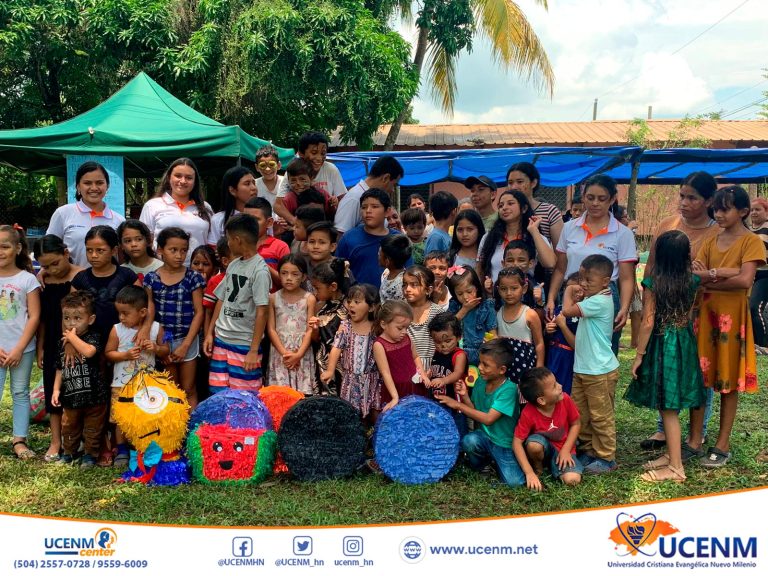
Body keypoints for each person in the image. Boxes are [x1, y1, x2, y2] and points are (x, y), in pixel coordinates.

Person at [640, 171, 719, 451]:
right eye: (682, 196)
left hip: (704, 315)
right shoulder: (667, 224)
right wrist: (648, 298)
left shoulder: (716, 232)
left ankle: (697, 434)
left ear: (709, 200)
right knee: (665, 368)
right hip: (666, 317)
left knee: (699, 375)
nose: (684, 203)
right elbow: (650, 268)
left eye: (692, 198)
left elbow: (713, 277)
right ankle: (664, 430)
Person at [693, 186, 764, 468]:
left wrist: (711, 274)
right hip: (706, 313)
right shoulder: (711, 239)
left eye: (726, 209)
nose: (719, 214)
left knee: (727, 384)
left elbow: (746, 281)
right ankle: (694, 440)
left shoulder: (752, 241)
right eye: (717, 209)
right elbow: (695, 275)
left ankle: (722, 444)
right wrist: (723, 273)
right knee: (700, 379)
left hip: (732, 319)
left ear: (743, 212)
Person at [625, 231, 705, 483]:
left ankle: (676, 468)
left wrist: (639, 355)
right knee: (672, 402)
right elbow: (693, 308)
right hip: (684, 341)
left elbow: (648, 322)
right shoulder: (692, 280)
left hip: (663, 343)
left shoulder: (653, 283)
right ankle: (672, 456)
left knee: (668, 407)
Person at [546, 174, 637, 355]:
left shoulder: (623, 233)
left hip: (604, 297)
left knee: (601, 352)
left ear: (612, 199)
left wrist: (625, 308)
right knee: (566, 349)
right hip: (570, 295)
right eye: (590, 198)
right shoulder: (569, 227)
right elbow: (560, 268)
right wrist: (551, 298)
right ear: (583, 196)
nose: (595, 203)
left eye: (602, 199)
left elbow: (627, 278)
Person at [436, 338, 525, 487]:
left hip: (504, 444)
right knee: (469, 441)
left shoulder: (509, 389)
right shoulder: (480, 382)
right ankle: (484, 465)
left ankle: (498, 462)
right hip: (484, 438)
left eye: (486, 365)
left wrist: (457, 404)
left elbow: (489, 419)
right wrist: (464, 396)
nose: (480, 367)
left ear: (502, 370)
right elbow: (475, 411)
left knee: (515, 483)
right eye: (480, 362)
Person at [559, 254, 619, 474]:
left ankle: (606, 457)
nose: (583, 284)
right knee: (581, 412)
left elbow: (566, 311)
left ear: (605, 281)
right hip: (584, 368)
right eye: (581, 279)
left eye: (588, 280)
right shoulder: (594, 298)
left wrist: (568, 291)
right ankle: (588, 450)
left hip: (599, 371)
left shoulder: (600, 301)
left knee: (601, 415)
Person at [204, 214, 271, 394]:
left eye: (227, 239)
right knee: (218, 393)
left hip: (244, 344)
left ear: (237, 240)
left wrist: (253, 350)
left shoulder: (260, 271)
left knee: (244, 397)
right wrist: (210, 333)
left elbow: (262, 312)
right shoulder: (233, 265)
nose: (227, 243)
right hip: (221, 339)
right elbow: (221, 299)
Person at [104, 286, 169, 468]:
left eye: (125, 313)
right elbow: (108, 352)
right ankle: (122, 449)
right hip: (121, 384)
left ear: (142, 312)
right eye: (119, 313)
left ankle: (141, 446)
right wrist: (124, 355)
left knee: (144, 416)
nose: (121, 318)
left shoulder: (155, 329)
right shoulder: (117, 330)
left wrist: (155, 348)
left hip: (147, 386)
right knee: (120, 419)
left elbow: (166, 350)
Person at [143, 227, 205, 408]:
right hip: (163, 340)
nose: (179, 255)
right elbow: (150, 308)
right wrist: (152, 336)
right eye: (173, 250)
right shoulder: (152, 279)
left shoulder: (192, 277)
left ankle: (191, 432)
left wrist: (186, 345)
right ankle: (174, 432)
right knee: (171, 388)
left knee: (189, 388)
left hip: (188, 339)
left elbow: (199, 312)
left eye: (184, 250)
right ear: (160, 250)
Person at [34, 234, 82, 462]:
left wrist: (72, 342)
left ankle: (78, 438)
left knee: (76, 389)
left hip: (77, 341)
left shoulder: (81, 276)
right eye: (45, 266)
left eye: (55, 263)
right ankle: (55, 441)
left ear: (66, 253)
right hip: (53, 339)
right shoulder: (42, 281)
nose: (52, 269)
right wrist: (40, 347)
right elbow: (42, 319)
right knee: (52, 391)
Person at [0, 225, 41, 460]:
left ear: (17, 248)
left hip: (22, 349)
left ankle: (19, 440)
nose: (0, 251)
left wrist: (18, 349)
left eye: (5, 246)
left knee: (20, 392)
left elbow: (34, 317)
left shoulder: (27, 280)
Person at [51, 292, 105, 467]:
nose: (71, 323)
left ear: (90, 319)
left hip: (94, 396)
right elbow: (60, 368)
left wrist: (72, 339)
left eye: (77, 318)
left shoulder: (93, 336)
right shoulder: (62, 343)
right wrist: (56, 390)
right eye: (66, 318)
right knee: (69, 426)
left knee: (93, 428)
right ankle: (69, 453)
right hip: (71, 396)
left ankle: (90, 454)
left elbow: (89, 352)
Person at [513, 367, 582, 490]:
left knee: (572, 480)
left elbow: (576, 424)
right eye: (555, 386)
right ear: (541, 400)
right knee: (534, 444)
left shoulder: (565, 399)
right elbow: (517, 442)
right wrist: (529, 473)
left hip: (564, 448)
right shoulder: (528, 412)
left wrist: (566, 450)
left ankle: (555, 465)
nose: (560, 386)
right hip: (543, 448)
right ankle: (538, 467)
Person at [47, 161, 125, 267]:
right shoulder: (63, 213)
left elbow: (122, 258)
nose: (94, 188)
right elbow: (49, 249)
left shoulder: (119, 220)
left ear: (107, 186)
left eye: (99, 183)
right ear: (78, 186)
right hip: (71, 281)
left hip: (110, 282)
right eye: (87, 183)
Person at [322, 284, 381, 421]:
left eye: (357, 302)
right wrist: (330, 370)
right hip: (350, 380)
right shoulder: (346, 327)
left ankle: (373, 438)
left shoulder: (376, 328)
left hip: (372, 379)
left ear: (371, 307)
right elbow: (336, 348)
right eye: (349, 301)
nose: (351, 306)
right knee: (350, 414)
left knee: (375, 413)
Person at [140, 158, 212, 266]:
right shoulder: (152, 205)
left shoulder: (205, 207)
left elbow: (211, 242)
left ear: (195, 181)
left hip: (197, 271)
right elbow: (145, 242)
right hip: (162, 271)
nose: (183, 181)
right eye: (178, 176)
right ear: (169, 177)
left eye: (189, 178)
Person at [72, 226, 139, 342]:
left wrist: (143, 331)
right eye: (89, 250)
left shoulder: (127, 276)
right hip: (88, 343)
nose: (93, 255)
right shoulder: (80, 279)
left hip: (123, 340)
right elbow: (71, 312)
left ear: (114, 250)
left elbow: (141, 307)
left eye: (100, 250)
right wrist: (71, 340)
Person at [477, 189, 555, 284]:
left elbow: (550, 263)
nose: (504, 208)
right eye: (501, 206)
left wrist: (534, 231)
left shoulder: (535, 236)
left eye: (510, 203)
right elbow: (479, 270)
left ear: (524, 208)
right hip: (494, 296)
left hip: (528, 296)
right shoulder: (488, 238)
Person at [336, 188, 404, 288]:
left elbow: (408, 271)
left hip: (392, 300)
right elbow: (338, 271)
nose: (368, 211)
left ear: (387, 211)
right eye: (364, 207)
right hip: (357, 300)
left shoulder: (399, 240)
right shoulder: (348, 238)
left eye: (374, 206)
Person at [267, 254, 316, 394]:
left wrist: (298, 355)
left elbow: (309, 330)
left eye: (295, 274)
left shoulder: (309, 298)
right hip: (280, 352)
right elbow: (271, 329)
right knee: (280, 395)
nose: (289, 278)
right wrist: (285, 354)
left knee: (301, 395)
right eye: (284, 273)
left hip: (301, 352)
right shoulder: (273, 298)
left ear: (304, 277)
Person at [273, 132, 346, 224]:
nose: (319, 158)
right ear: (301, 153)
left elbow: (343, 201)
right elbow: (278, 205)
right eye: (314, 153)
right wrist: (295, 222)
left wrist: (335, 203)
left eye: (323, 153)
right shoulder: (293, 171)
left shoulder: (331, 169)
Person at [373, 300, 430, 413]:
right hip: (396, 390)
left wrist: (422, 374)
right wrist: (395, 397)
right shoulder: (379, 345)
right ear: (383, 324)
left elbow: (416, 357)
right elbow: (386, 373)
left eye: (407, 328)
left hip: (415, 386)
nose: (404, 332)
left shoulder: (407, 338)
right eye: (400, 328)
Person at [335, 155, 404, 236]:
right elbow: (340, 235)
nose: (392, 190)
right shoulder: (354, 198)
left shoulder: (374, 197)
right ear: (386, 178)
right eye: (393, 184)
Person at [309, 259, 349, 395]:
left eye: (317, 288)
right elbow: (316, 340)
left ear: (332, 286)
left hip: (343, 365)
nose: (315, 293)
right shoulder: (320, 307)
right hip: (322, 365)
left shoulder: (349, 307)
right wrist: (314, 329)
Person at [446, 265, 496, 366]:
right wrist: (464, 309)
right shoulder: (454, 305)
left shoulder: (486, 307)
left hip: (481, 355)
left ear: (476, 288)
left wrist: (491, 342)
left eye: (469, 291)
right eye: (459, 294)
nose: (465, 297)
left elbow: (493, 333)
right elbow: (448, 326)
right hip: (458, 354)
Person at [495, 267, 544, 371]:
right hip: (501, 368)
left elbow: (539, 343)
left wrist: (539, 368)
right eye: (504, 289)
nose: (508, 293)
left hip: (524, 368)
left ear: (524, 288)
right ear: (498, 289)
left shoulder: (530, 314)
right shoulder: (497, 313)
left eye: (514, 288)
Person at [428, 312, 468, 436]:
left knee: (457, 428)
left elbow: (458, 373)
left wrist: (443, 380)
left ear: (458, 337)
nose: (443, 345)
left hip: (455, 402)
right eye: (438, 342)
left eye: (448, 340)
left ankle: (461, 451)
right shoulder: (436, 352)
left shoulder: (459, 355)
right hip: (437, 400)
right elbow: (433, 369)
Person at [506, 162, 563, 248]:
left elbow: (560, 250)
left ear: (533, 183)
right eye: (510, 183)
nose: (514, 187)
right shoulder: (505, 212)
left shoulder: (549, 211)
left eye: (520, 182)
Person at [545, 272, 581, 396]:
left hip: (568, 359)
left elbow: (576, 344)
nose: (572, 294)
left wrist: (563, 325)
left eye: (576, 290)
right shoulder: (557, 310)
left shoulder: (582, 315)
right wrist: (548, 330)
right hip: (553, 354)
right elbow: (549, 334)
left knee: (564, 391)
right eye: (568, 289)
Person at [243, 197, 290, 291]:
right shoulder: (238, 245)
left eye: (255, 219)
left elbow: (287, 282)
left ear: (269, 222)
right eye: (246, 219)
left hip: (271, 302)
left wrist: (260, 263)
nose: (249, 224)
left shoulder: (280, 247)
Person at [402, 265, 443, 371]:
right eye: (405, 284)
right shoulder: (399, 311)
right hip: (405, 367)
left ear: (428, 290)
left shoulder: (437, 312)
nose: (407, 289)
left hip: (431, 369)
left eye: (414, 285)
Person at [208, 166, 257, 247]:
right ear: (232, 190)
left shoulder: (263, 215)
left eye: (254, 183)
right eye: (247, 184)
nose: (254, 188)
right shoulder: (218, 220)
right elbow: (214, 250)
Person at [749, 197, 768, 353]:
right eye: (752, 209)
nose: (753, 212)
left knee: (755, 307)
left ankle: (762, 345)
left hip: (765, 275)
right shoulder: (748, 229)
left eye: (758, 209)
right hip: (750, 274)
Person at [502, 240, 545, 309]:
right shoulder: (499, 285)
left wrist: (539, 301)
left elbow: (540, 317)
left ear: (531, 263)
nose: (515, 264)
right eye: (510, 260)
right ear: (503, 263)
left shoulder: (536, 287)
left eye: (521, 260)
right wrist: (489, 293)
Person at [203, 238, 231, 337]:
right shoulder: (215, 281)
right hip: (218, 337)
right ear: (225, 261)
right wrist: (208, 336)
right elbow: (208, 313)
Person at [379, 234, 411, 302]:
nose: (378, 256)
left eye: (379, 254)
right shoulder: (386, 273)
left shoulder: (401, 284)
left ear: (387, 261)